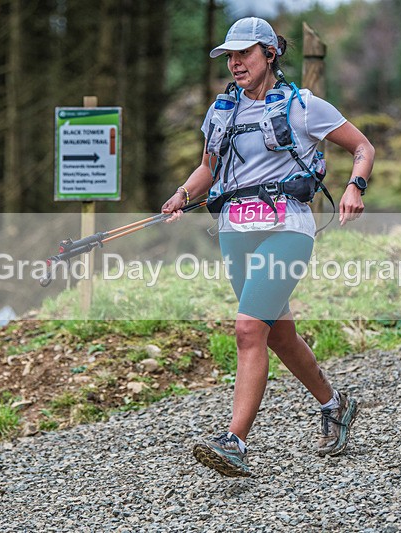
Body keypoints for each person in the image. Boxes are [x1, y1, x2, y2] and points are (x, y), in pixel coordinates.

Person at [161, 17, 375, 478]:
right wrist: (182, 193)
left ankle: (234, 441)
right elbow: (208, 171)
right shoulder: (221, 111)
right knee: (276, 333)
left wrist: (354, 188)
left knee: (246, 329)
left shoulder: (303, 106)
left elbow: (362, 146)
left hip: (288, 226)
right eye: (230, 56)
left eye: (244, 54)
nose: (235, 63)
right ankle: (335, 405)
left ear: (269, 53)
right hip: (236, 228)